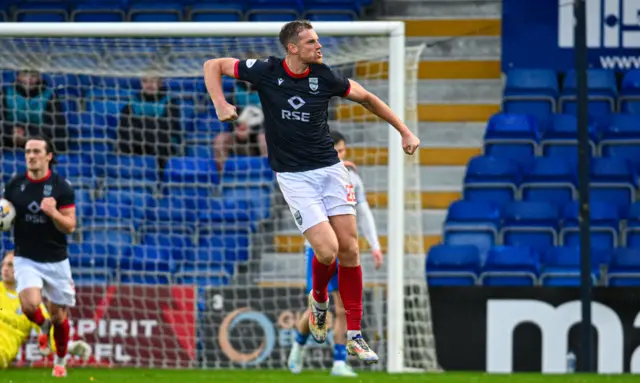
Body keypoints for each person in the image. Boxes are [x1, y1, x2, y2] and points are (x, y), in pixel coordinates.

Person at [203, 20, 420, 364]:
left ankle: (354, 336)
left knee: (350, 249)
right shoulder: (265, 70)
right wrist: (220, 103)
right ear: (292, 47)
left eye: (318, 41)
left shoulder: (324, 76)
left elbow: (366, 97)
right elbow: (212, 65)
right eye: (312, 42)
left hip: (331, 171)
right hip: (295, 177)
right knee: (328, 250)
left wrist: (404, 131)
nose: (319, 47)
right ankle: (318, 301)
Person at [288, 130, 383, 376]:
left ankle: (340, 362)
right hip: (318, 253)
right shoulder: (311, 174)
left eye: (341, 151)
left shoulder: (351, 178)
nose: (338, 155)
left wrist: (375, 245)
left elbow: (363, 212)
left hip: (345, 255)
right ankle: (298, 346)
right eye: (335, 151)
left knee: (342, 308)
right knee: (318, 310)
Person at [2, 136, 77, 377]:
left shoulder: (61, 187)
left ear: (48, 156)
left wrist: (53, 212)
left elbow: (70, 226)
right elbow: (5, 212)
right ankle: (41, 324)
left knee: (58, 317)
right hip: (26, 257)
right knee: (30, 305)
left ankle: (61, 360)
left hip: (56, 259)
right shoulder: (14, 185)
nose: (31, 156)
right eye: (27, 152)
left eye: (36, 151)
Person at [0, 250, 90, 370]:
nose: (5, 268)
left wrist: (69, 346)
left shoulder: (30, 302)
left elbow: (49, 333)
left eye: (11, 265)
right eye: (4, 264)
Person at [117, 75, 181, 169]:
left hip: (160, 144)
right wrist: (152, 123)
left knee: (161, 137)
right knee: (125, 139)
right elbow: (124, 126)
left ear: (160, 83)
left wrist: (140, 122)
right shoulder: (133, 102)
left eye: (153, 81)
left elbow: (170, 127)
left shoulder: (169, 102)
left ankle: (160, 176)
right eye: (145, 81)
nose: (149, 85)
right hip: (136, 143)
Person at [0, 69, 67, 152]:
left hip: (38, 137)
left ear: (39, 77)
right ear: (18, 76)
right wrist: (11, 131)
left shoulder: (50, 95)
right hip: (9, 137)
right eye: (25, 75)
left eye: (33, 76)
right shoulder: (5, 92)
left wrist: (29, 135)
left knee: (59, 132)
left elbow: (55, 123)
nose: (29, 79)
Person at [213, 105, 267, 170]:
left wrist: (251, 130)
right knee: (220, 139)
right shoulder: (236, 106)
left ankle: (268, 172)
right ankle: (223, 174)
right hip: (237, 144)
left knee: (263, 138)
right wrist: (238, 128)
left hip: (255, 143)